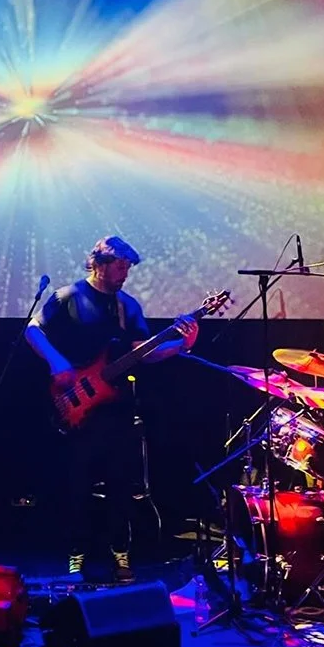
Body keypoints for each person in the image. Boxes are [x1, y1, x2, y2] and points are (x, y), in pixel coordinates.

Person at [25, 236, 198, 584]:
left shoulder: (127, 306)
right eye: (121, 266)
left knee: (121, 486)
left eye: (128, 268)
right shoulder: (67, 297)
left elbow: (143, 353)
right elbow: (33, 330)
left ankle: (121, 554)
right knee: (78, 486)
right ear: (100, 263)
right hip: (77, 408)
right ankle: (76, 556)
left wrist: (182, 345)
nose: (125, 274)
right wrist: (57, 361)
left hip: (117, 411)